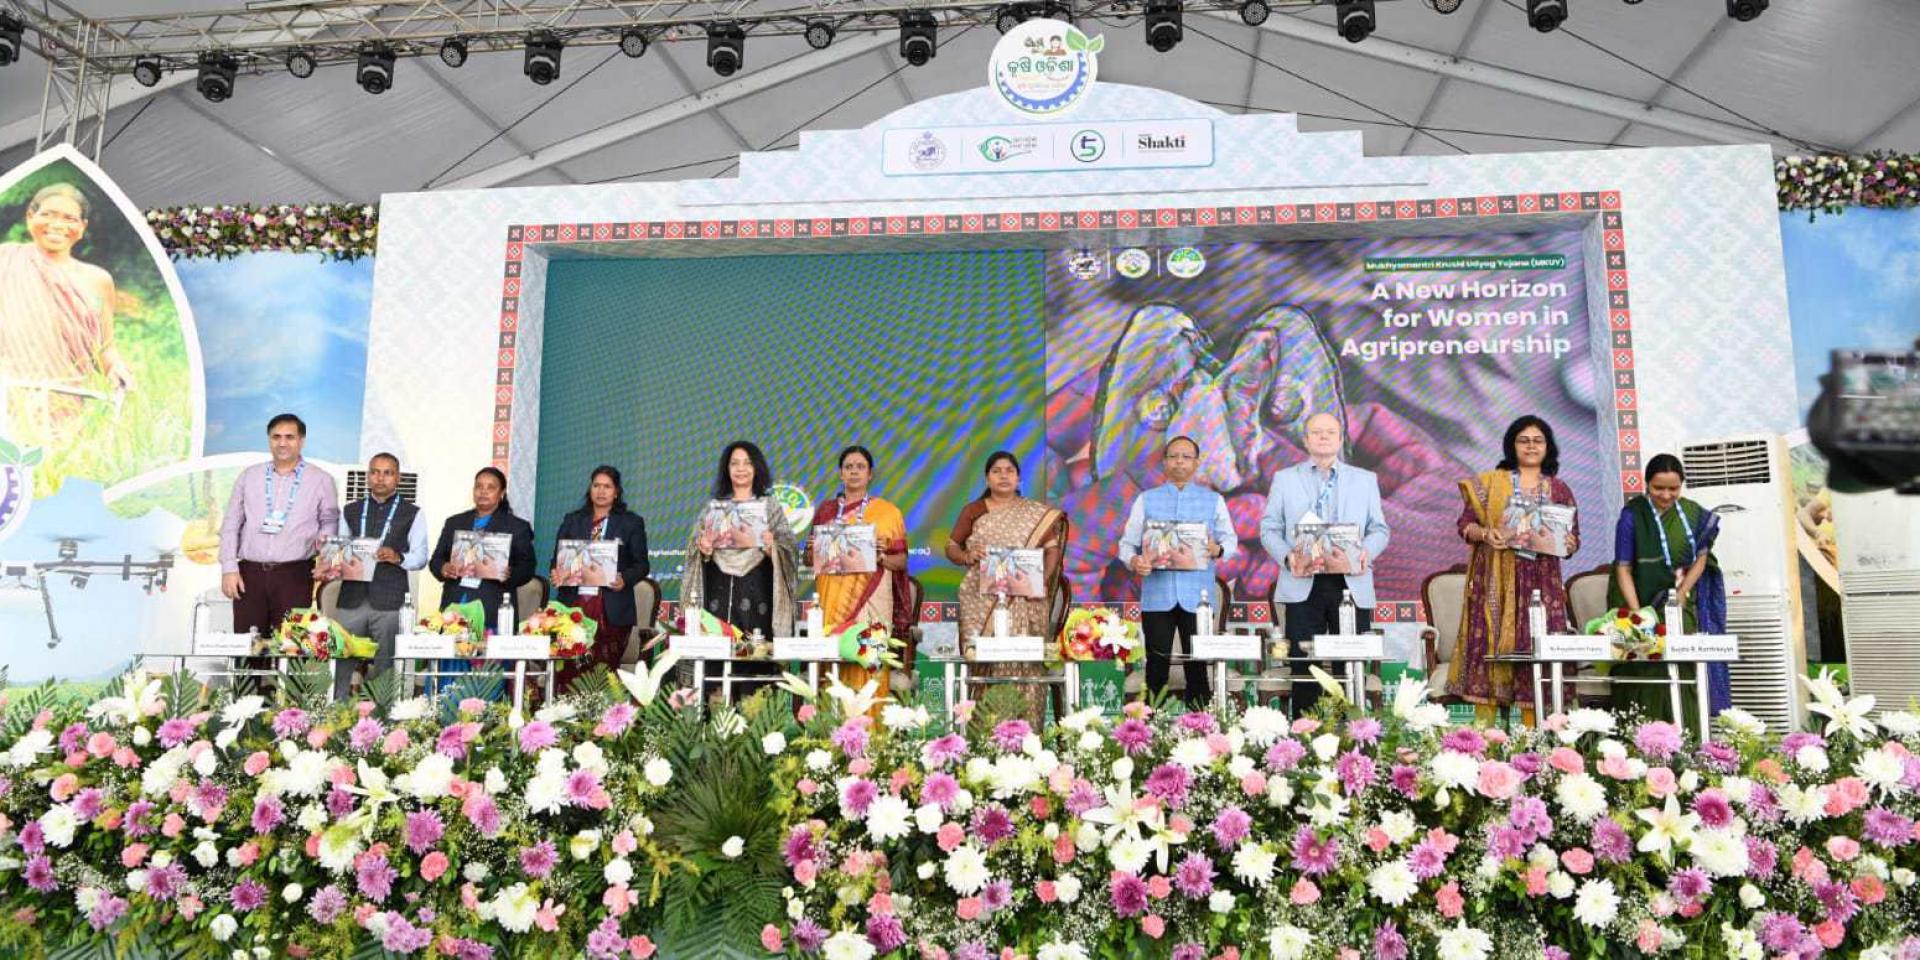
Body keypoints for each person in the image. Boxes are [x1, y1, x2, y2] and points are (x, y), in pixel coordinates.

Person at [1449, 415, 1581, 727]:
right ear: (1512, 445)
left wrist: (1569, 542)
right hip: (1495, 579)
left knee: (1535, 649)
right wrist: (1485, 535)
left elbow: (1573, 541)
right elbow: (1465, 525)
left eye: (1538, 440)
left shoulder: (1559, 489)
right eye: (1524, 440)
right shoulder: (1490, 483)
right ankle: (1485, 742)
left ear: (1548, 447)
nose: (1531, 446)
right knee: (1491, 647)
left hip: (1542, 585)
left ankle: (1533, 740)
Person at [1258, 412, 1390, 717]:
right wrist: (1289, 557)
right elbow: (1269, 529)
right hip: (1303, 583)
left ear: (1341, 439)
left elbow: (1380, 530)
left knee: (1350, 666)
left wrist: (1360, 555)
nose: (1323, 437)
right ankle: (1305, 738)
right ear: (1305, 440)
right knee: (1305, 666)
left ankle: (1353, 740)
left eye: (1330, 432)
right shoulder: (1285, 478)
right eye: (1316, 432)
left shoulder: (1364, 480)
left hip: (1350, 585)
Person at [0, 183, 134, 460]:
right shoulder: (6, 260)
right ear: (30, 217)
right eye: (48, 214)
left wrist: (116, 369)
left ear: (82, 227)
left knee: (53, 474)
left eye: (69, 218)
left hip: (65, 403)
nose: (57, 225)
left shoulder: (97, 280)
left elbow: (105, 347)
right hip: (7, 395)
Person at [217, 413, 339, 687]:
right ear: (269, 440)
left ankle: (287, 717)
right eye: (276, 437)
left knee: (291, 646)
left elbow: (330, 523)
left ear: (301, 441)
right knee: (248, 646)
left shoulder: (321, 480)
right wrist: (228, 567)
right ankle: (245, 711)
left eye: (290, 437)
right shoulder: (250, 476)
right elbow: (231, 523)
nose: (283, 443)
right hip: (249, 572)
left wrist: (326, 560)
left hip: (295, 573)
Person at [947, 451, 1067, 724]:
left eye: (1009, 470)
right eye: (996, 471)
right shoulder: (974, 510)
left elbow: (1052, 551)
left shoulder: (1035, 514)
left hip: (1027, 600)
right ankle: (984, 734)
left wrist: (1041, 583)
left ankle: (1026, 732)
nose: (1003, 475)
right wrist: (966, 556)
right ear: (987, 478)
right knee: (985, 658)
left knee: (1026, 661)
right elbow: (951, 547)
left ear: (1019, 477)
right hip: (982, 600)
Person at [1608, 453, 1729, 724]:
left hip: (1679, 604)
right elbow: (1623, 568)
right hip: (1636, 601)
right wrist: (1638, 615)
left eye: (1673, 488)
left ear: (1681, 485)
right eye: (1658, 488)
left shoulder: (1692, 513)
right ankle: (1638, 739)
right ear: (1646, 484)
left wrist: (1684, 591)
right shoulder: (1632, 515)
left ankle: (1686, 739)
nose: (1665, 495)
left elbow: (1701, 558)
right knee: (1643, 667)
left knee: (1682, 665)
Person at [1117, 435, 1238, 707]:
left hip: (1199, 597)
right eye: (1173, 456)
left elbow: (1231, 541)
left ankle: (1202, 729)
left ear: (1196, 463)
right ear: (1164, 462)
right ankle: (1150, 730)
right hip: (1157, 596)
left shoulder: (1213, 500)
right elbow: (1126, 545)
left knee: (1198, 664)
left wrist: (1216, 549)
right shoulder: (1146, 500)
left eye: (1185, 457)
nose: (1179, 461)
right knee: (1156, 665)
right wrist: (1135, 561)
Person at [685, 442, 798, 698]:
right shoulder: (714, 507)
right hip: (719, 591)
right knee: (716, 654)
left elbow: (790, 549)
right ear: (727, 469)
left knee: (753, 656)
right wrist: (702, 547)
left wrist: (772, 548)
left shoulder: (770, 507)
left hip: (757, 591)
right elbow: (694, 546)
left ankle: (755, 721)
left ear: (756, 468)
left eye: (747, 463)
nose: (741, 469)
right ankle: (715, 719)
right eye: (735, 463)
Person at [318, 452, 426, 700]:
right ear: (368, 476)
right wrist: (332, 564)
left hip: (390, 599)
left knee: (387, 662)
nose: (380, 478)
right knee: (340, 660)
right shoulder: (351, 510)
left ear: (397, 477)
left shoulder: (413, 513)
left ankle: (384, 720)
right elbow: (339, 549)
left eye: (387, 473)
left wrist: (399, 557)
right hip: (352, 597)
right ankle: (337, 715)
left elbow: (421, 557)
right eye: (375, 472)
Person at [809, 446, 912, 699]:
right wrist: (813, 549)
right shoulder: (826, 511)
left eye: (860, 467)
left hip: (873, 597)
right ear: (840, 474)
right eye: (848, 467)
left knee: (870, 660)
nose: (854, 471)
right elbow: (810, 559)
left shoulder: (888, 513)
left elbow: (901, 561)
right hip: (832, 601)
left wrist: (881, 557)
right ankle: (830, 730)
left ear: (870, 474)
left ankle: (872, 731)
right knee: (832, 659)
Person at [429, 467, 535, 693]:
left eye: (491, 487)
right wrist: (443, 567)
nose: (483, 492)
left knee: (485, 682)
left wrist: (510, 574)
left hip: (492, 611)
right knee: (448, 678)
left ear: (502, 493)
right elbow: (435, 560)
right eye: (479, 486)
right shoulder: (454, 522)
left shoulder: (517, 527)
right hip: (454, 613)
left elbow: (528, 567)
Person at [551, 466, 649, 692]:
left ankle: (601, 721)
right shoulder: (572, 521)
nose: (601, 491)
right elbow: (556, 560)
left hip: (610, 608)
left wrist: (624, 578)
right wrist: (556, 572)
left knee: (602, 675)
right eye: (596, 485)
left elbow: (642, 565)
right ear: (590, 489)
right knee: (569, 670)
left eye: (607, 486)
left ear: (616, 492)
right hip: (573, 606)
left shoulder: (630, 523)